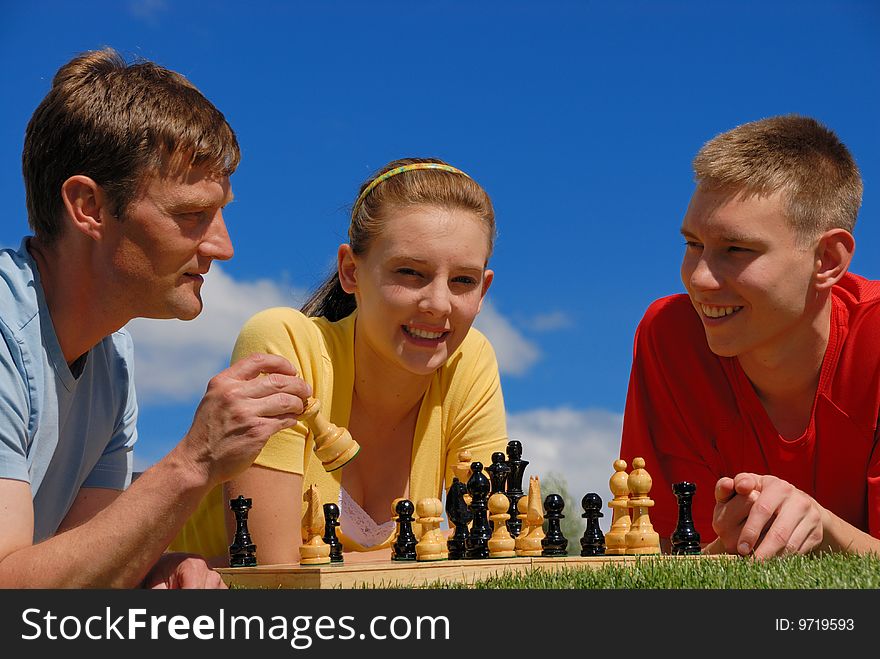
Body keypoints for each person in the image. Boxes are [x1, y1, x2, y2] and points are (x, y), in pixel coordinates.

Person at [0, 49, 310, 588]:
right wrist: (194, 461)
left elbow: (72, 570)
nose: (223, 246)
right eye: (191, 215)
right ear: (89, 207)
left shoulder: (111, 354)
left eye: (220, 213)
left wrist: (151, 570)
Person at [172, 158, 508, 564]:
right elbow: (277, 577)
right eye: (410, 273)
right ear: (351, 271)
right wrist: (433, 563)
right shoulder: (286, 343)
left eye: (463, 281)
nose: (438, 304)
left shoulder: (469, 359)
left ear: (483, 289)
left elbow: (491, 552)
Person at [620, 115, 880, 559]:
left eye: (737, 249)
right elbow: (673, 559)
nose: (699, 278)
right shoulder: (670, 337)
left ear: (828, 259)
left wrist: (821, 525)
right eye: (693, 244)